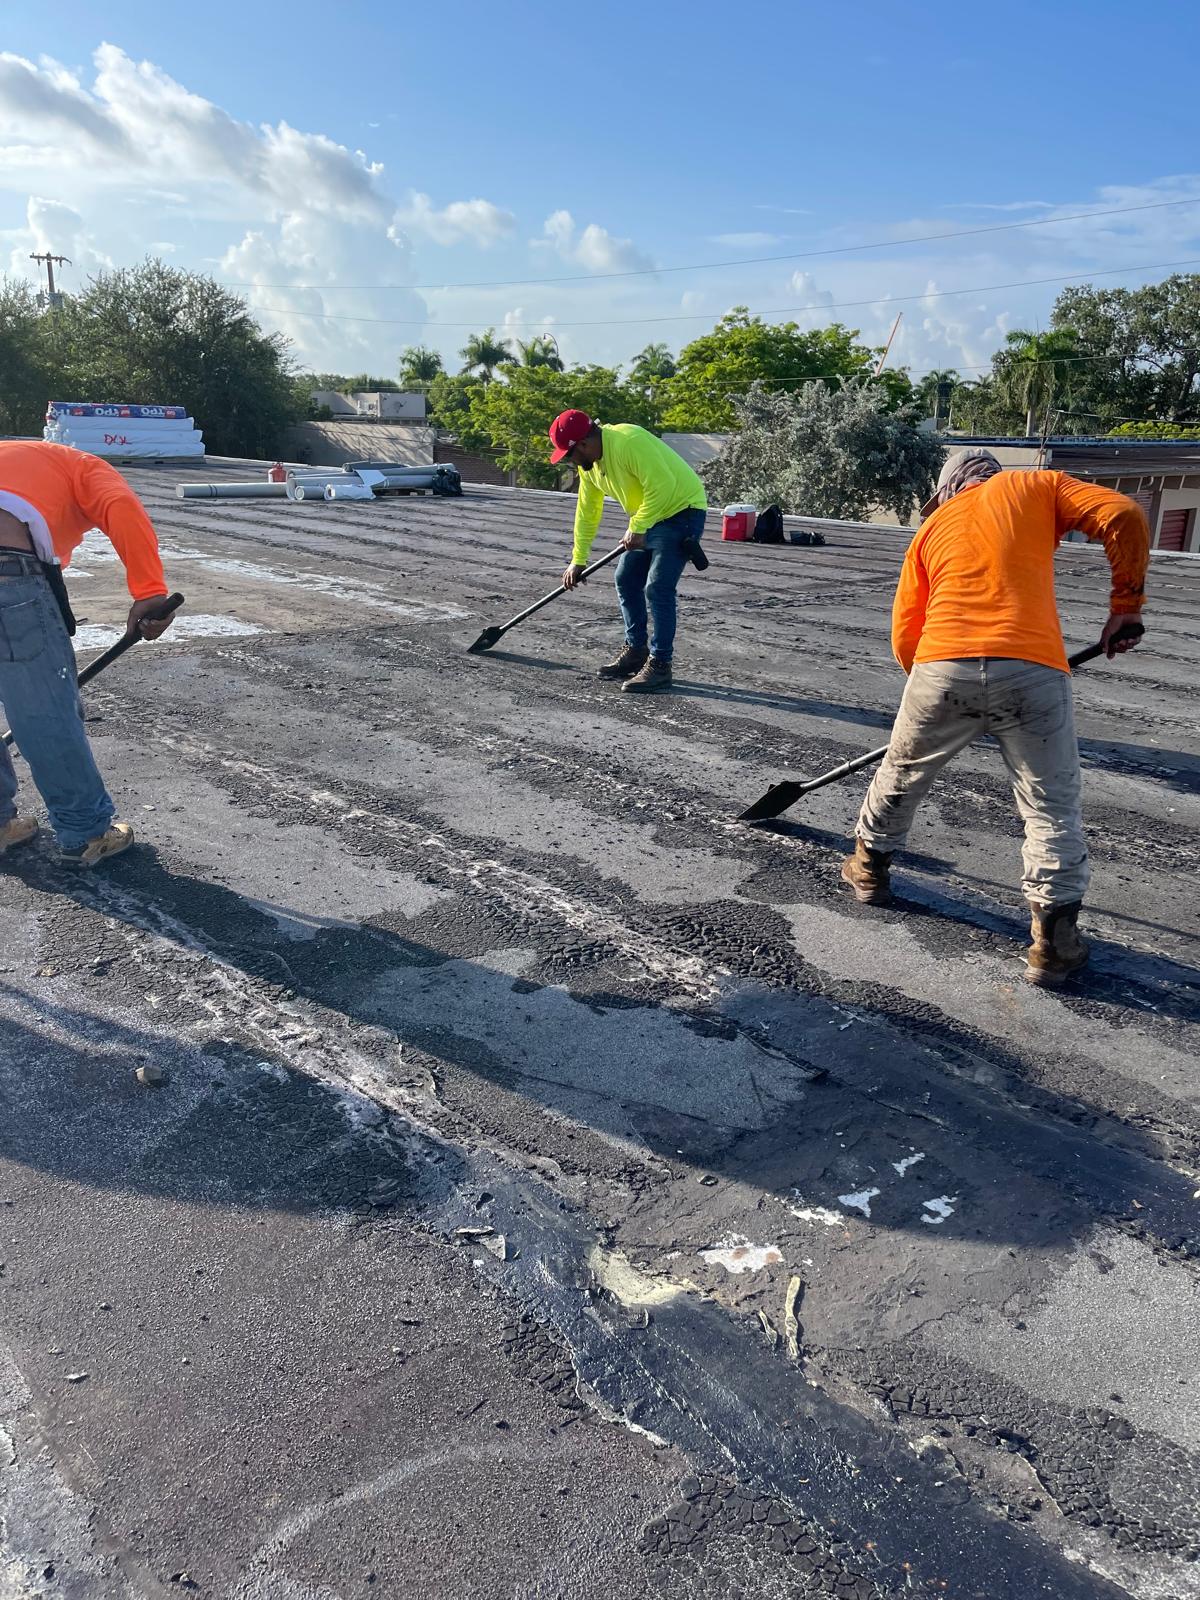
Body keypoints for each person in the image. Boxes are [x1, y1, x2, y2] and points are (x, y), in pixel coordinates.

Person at [840, 448, 1149, 986]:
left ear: (948, 488)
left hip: (940, 666)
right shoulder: (1038, 486)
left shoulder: (931, 528)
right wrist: (1126, 605)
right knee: (1050, 805)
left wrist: (934, 691)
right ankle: (1054, 941)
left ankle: (868, 870)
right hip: (1033, 668)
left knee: (901, 772)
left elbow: (905, 633)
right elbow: (1123, 515)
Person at [0, 440, 176, 868]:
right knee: (44, 710)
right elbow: (120, 507)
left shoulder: (17, 463)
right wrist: (150, 593)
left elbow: (51, 563)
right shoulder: (85, 466)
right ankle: (86, 832)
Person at [551, 410, 707, 694]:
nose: (569, 462)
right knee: (626, 578)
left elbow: (663, 486)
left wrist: (638, 525)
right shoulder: (592, 467)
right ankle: (636, 651)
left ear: (583, 444)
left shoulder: (628, 441)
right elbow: (587, 511)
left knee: (658, 587)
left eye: (568, 455)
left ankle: (660, 665)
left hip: (682, 510)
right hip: (650, 515)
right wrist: (578, 559)